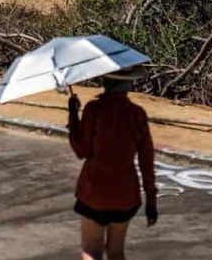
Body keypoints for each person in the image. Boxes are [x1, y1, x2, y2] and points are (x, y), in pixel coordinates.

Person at [67, 66, 157, 260]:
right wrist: (151, 200)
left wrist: (73, 116)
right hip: (125, 194)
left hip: (94, 191)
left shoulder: (94, 110)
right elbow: (146, 160)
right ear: (128, 84)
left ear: (105, 82)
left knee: (91, 251)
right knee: (116, 253)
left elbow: (81, 150)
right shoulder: (137, 114)